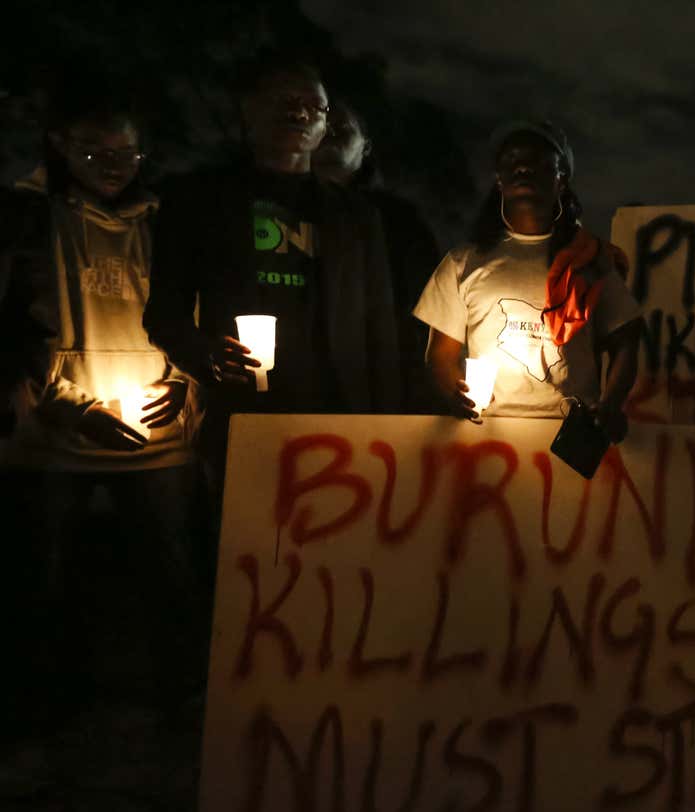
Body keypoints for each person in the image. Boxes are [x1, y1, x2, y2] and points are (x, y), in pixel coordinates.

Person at [0, 81, 204, 727]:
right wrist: (66, 403)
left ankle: (182, 699)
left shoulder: (169, 221)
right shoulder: (25, 216)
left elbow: (194, 311)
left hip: (156, 435)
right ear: (60, 144)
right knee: (42, 579)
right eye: (94, 151)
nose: (113, 165)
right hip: (50, 436)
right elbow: (11, 322)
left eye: (126, 153)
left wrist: (185, 381)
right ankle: (42, 709)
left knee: (172, 574)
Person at [143, 54, 402, 487]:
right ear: (249, 110)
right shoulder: (198, 199)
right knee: (240, 541)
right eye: (283, 100)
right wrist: (204, 354)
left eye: (312, 105)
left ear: (323, 125)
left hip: (337, 411)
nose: (297, 112)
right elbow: (164, 312)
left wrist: (388, 422)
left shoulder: (356, 215)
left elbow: (379, 325)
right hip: (239, 410)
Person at [414, 120, 640, 438]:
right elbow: (440, 354)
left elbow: (626, 340)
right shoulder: (463, 262)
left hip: (570, 435)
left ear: (561, 180)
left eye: (536, 161)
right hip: (486, 435)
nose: (522, 167)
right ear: (498, 181)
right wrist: (455, 394)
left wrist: (610, 404)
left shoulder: (590, 259)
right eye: (511, 161)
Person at [313, 98, 440, 410]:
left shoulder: (400, 218)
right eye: (325, 124)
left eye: (344, 126)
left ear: (365, 146)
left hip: (385, 372)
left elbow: (428, 303)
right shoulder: (275, 210)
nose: (333, 130)